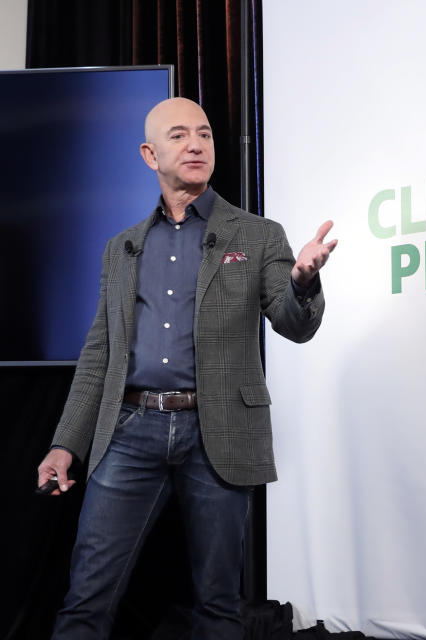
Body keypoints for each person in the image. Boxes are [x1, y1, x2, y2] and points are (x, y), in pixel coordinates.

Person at [35, 97, 337, 639]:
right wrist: (65, 444)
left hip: (216, 432)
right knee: (85, 597)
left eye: (205, 134)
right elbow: (99, 353)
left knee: (219, 605)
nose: (196, 144)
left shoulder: (258, 235)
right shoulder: (122, 247)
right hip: (129, 430)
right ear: (151, 154)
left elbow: (294, 323)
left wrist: (303, 280)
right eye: (179, 135)